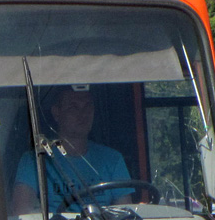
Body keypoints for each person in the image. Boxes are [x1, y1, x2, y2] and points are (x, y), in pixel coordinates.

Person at [11, 85, 132, 213]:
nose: (83, 114)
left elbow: (124, 216)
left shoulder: (113, 159)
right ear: (56, 113)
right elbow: (22, 212)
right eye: (73, 107)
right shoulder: (34, 160)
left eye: (88, 106)